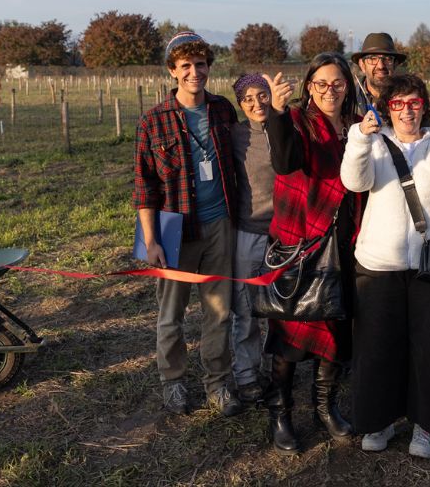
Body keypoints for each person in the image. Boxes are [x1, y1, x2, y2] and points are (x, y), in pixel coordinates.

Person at [340, 74, 430, 459]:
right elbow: (354, 182)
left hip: (429, 263)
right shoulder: (375, 140)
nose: (406, 111)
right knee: (378, 348)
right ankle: (380, 420)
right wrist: (360, 139)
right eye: (397, 104)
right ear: (387, 108)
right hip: (379, 262)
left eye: (413, 102)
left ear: (424, 104)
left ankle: (426, 425)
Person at [133, 31, 240, 417]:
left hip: (220, 226)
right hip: (175, 229)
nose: (194, 72)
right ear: (172, 71)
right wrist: (151, 240)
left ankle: (217, 382)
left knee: (219, 311)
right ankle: (173, 381)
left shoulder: (223, 110)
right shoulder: (153, 121)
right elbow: (144, 187)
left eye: (200, 64)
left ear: (209, 67)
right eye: (185, 66)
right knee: (171, 313)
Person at [262, 52, 364, 454]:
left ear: (347, 87)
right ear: (309, 86)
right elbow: (285, 162)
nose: (329, 90)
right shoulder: (298, 123)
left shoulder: (357, 126)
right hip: (299, 242)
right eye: (321, 83)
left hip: (346, 243)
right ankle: (280, 412)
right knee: (289, 335)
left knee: (336, 333)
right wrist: (277, 110)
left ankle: (325, 405)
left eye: (337, 83)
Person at [228, 74, 276, 403]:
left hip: (284, 235)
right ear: (240, 104)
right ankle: (246, 374)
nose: (257, 103)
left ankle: (276, 369)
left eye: (262, 95)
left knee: (278, 308)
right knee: (245, 308)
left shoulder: (287, 128)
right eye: (248, 99)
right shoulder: (235, 136)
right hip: (248, 230)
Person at [350, 32, 406, 102]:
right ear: (362, 65)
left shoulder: (408, 101)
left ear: (395, 64)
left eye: (387, 59)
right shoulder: (349, 101)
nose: (381, 66)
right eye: (373, 58)